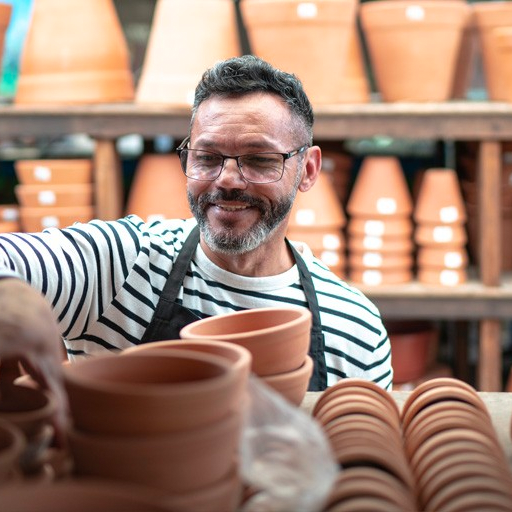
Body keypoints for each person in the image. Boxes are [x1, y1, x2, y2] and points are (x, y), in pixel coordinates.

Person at [0, 55, 392, 429]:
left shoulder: (353, 326)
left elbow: (366, 459)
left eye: (259, 160)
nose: (227, 179)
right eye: (207, 157)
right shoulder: (121, 265)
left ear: (307, 170)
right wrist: (16, 299)